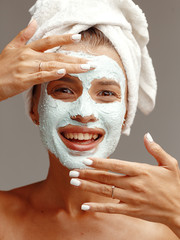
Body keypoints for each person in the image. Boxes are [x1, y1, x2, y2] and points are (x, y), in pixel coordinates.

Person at [0, 0, 180, 239]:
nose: (84, 112)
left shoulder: (163, 229)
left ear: (126, 112)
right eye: (64, 90)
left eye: (106, 93)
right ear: (34, 108)